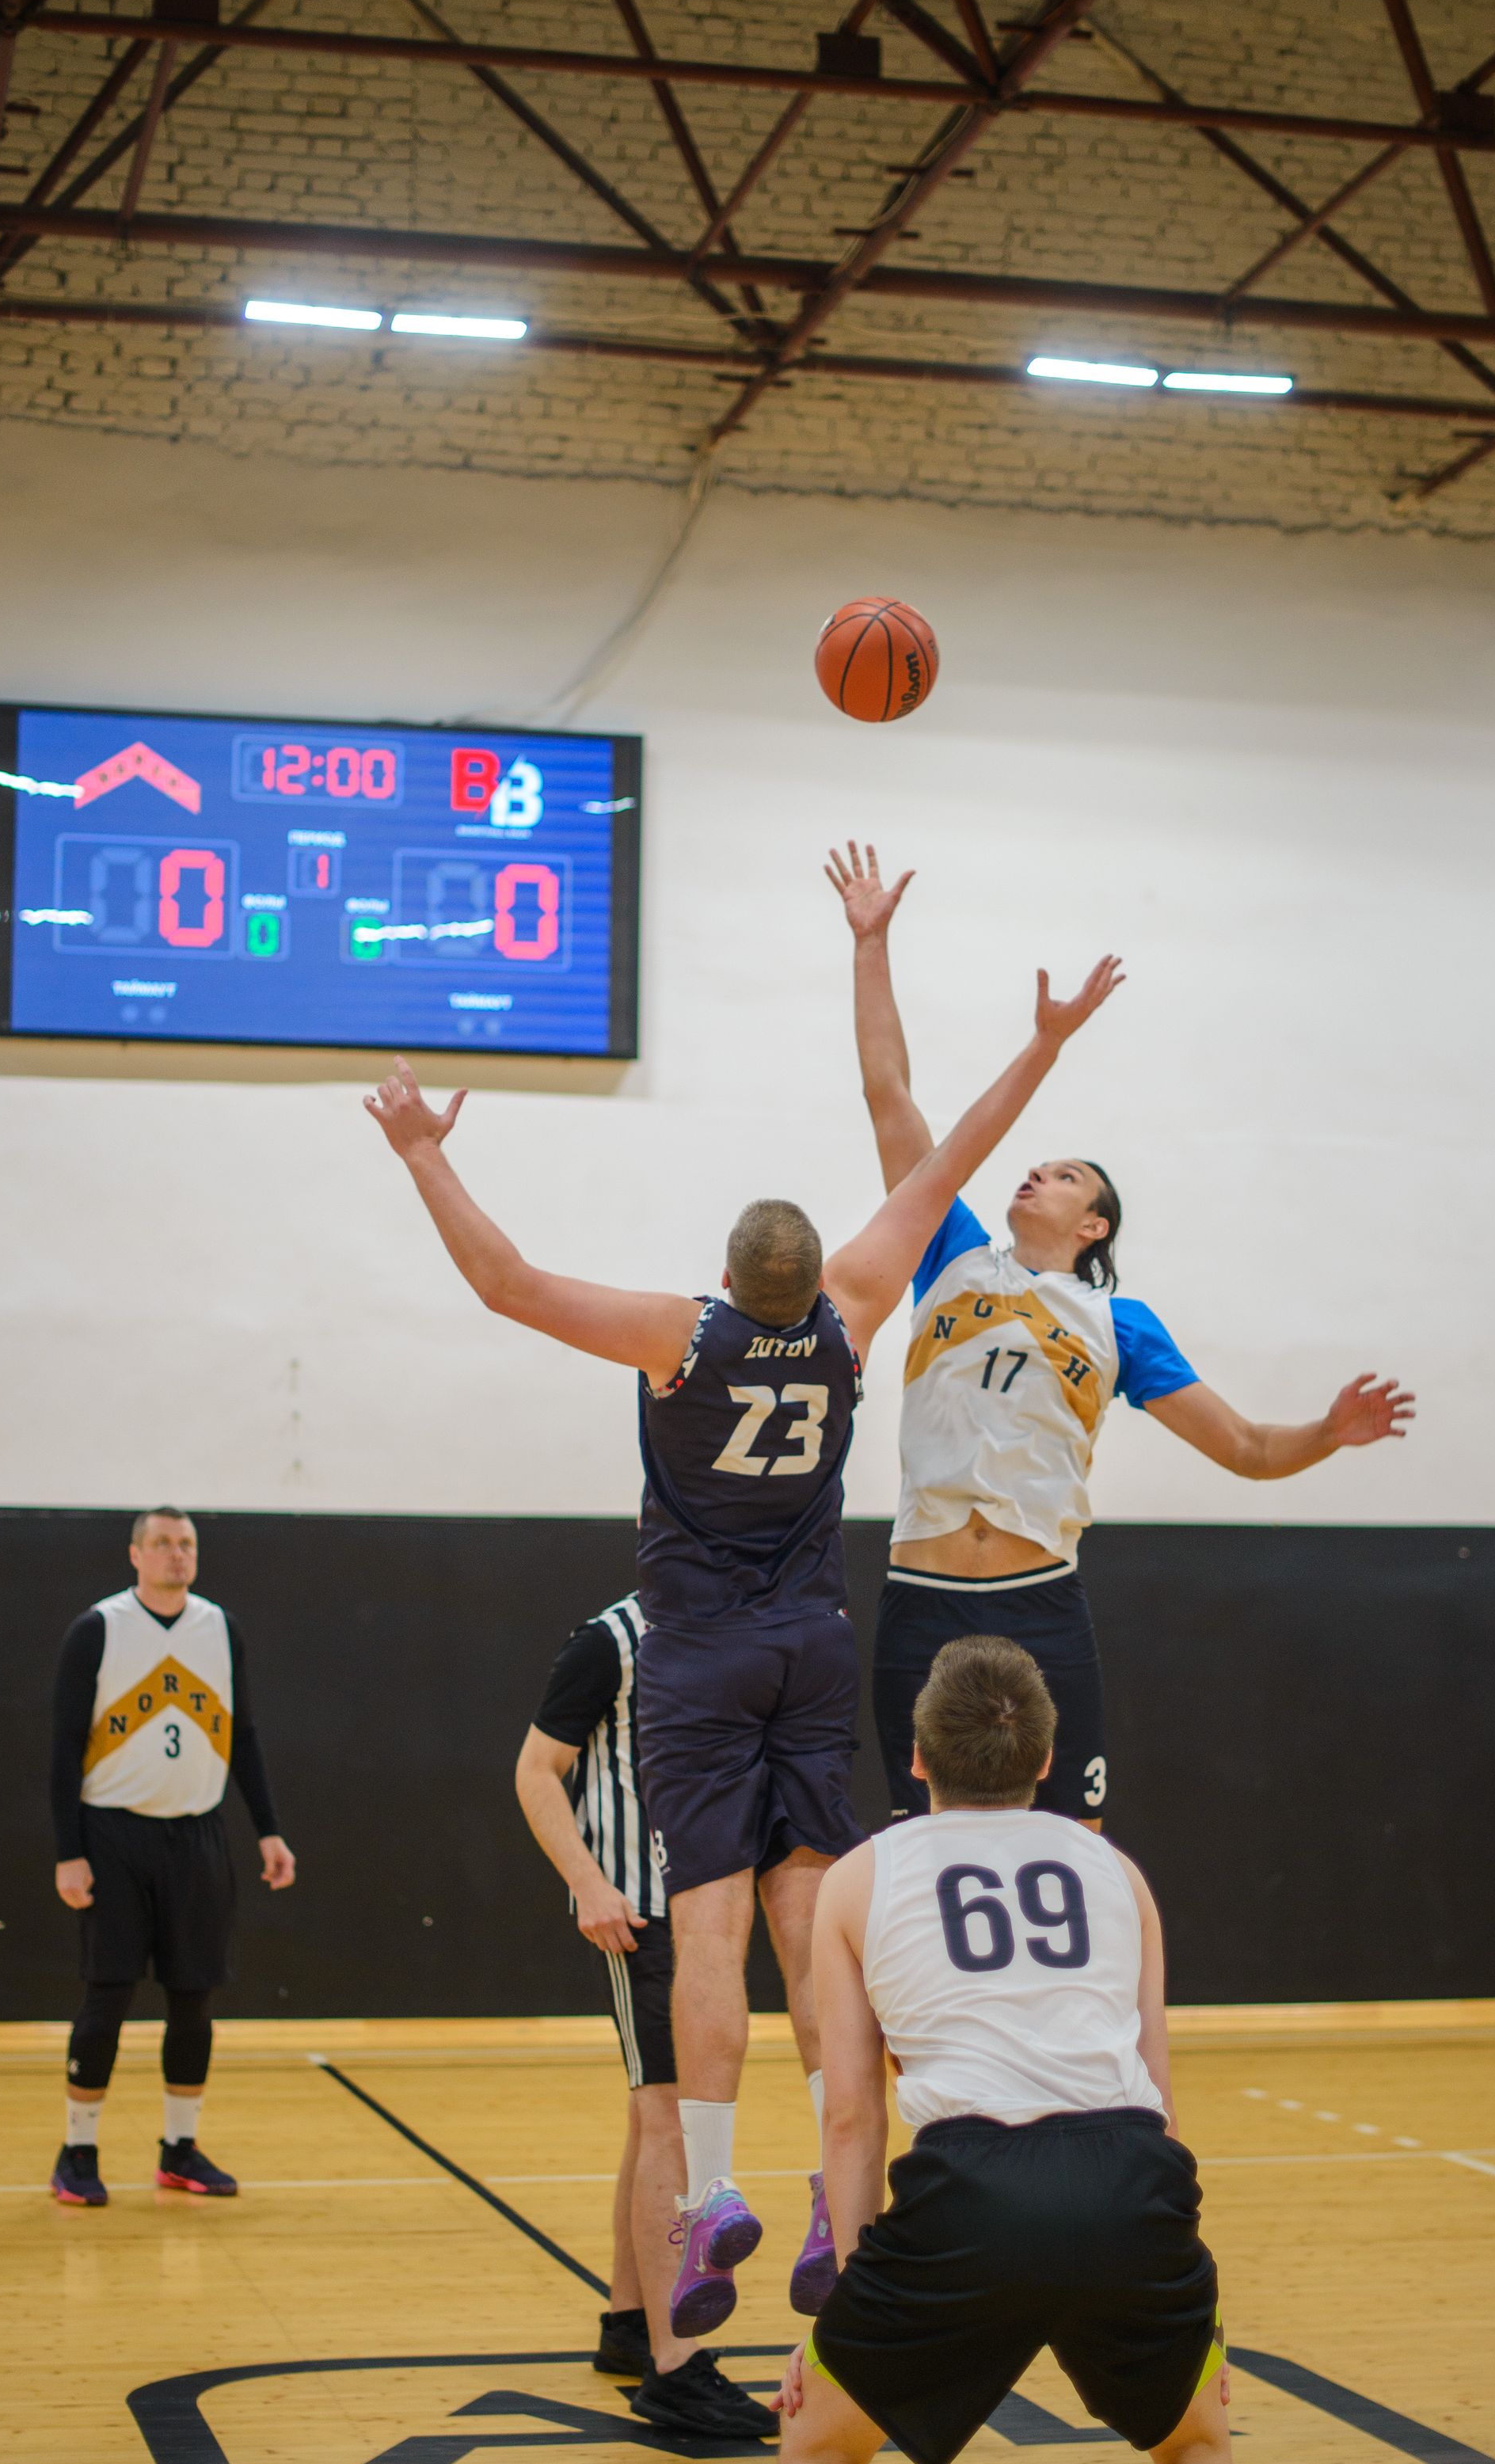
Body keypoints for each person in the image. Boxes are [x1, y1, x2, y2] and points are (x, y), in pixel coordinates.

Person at [365, 956, 1120, 2338]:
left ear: (722, 1277)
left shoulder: (676, 1339)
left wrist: (423, 1153)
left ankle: (715, 2192)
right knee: (809, 1928)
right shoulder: (851, 1315)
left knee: (706, 1931)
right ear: (813, 1274)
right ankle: (839, 2194)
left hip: (697, 1656)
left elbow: (503, 1282)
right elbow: (953, 1151)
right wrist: (1045, 1044)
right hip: (813, 1648)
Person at [702, 1635, 1270, 2464]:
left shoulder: (860, 1878)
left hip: (971, 2189)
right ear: (1047, 1760)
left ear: (915, 1758)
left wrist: (841, 2303)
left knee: (816, 2449)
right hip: (1130, 2178)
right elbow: (1158, 2092)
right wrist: (1176, 2255)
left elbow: (851, 2115)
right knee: (1196, 2450)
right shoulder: (1115, 1872)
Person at [827, 842, 1414, 1835]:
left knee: (1073, 1848)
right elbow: (889, 1093)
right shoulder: (948, 1253)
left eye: (1063, 1175)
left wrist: (1326, 1432)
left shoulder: (1119, 1326)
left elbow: (1246, 1448)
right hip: (923, 1594)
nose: (1034, 1174)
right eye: (1035, 1165)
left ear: (1094, 1224)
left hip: (1040, 1601)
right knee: (920, 1846)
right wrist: (869, 946)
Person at [516, 1587, 777, 2443]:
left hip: (710, 1907)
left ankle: (632, 2323)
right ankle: (677, 2367)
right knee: (671, 2117)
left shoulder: (745, 1625)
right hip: (644, 1912)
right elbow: (535, 1770)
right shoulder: (610, 1640)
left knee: (653, 2118)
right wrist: (588, 1883)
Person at [48, 1507, 295, 2207]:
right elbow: (64, 1747)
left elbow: (242, 1733)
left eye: (186, 1543)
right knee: (108, 1996)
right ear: (135, 1554)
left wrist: (268, 1830)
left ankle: (179, 2149)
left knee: (194, 1999)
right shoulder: (98, 1628)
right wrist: (69, 1852)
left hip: (196, 1838)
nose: (176, 1554)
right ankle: (78, 2152)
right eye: (161, 1543)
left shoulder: (219, 1627)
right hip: (113, 1837)